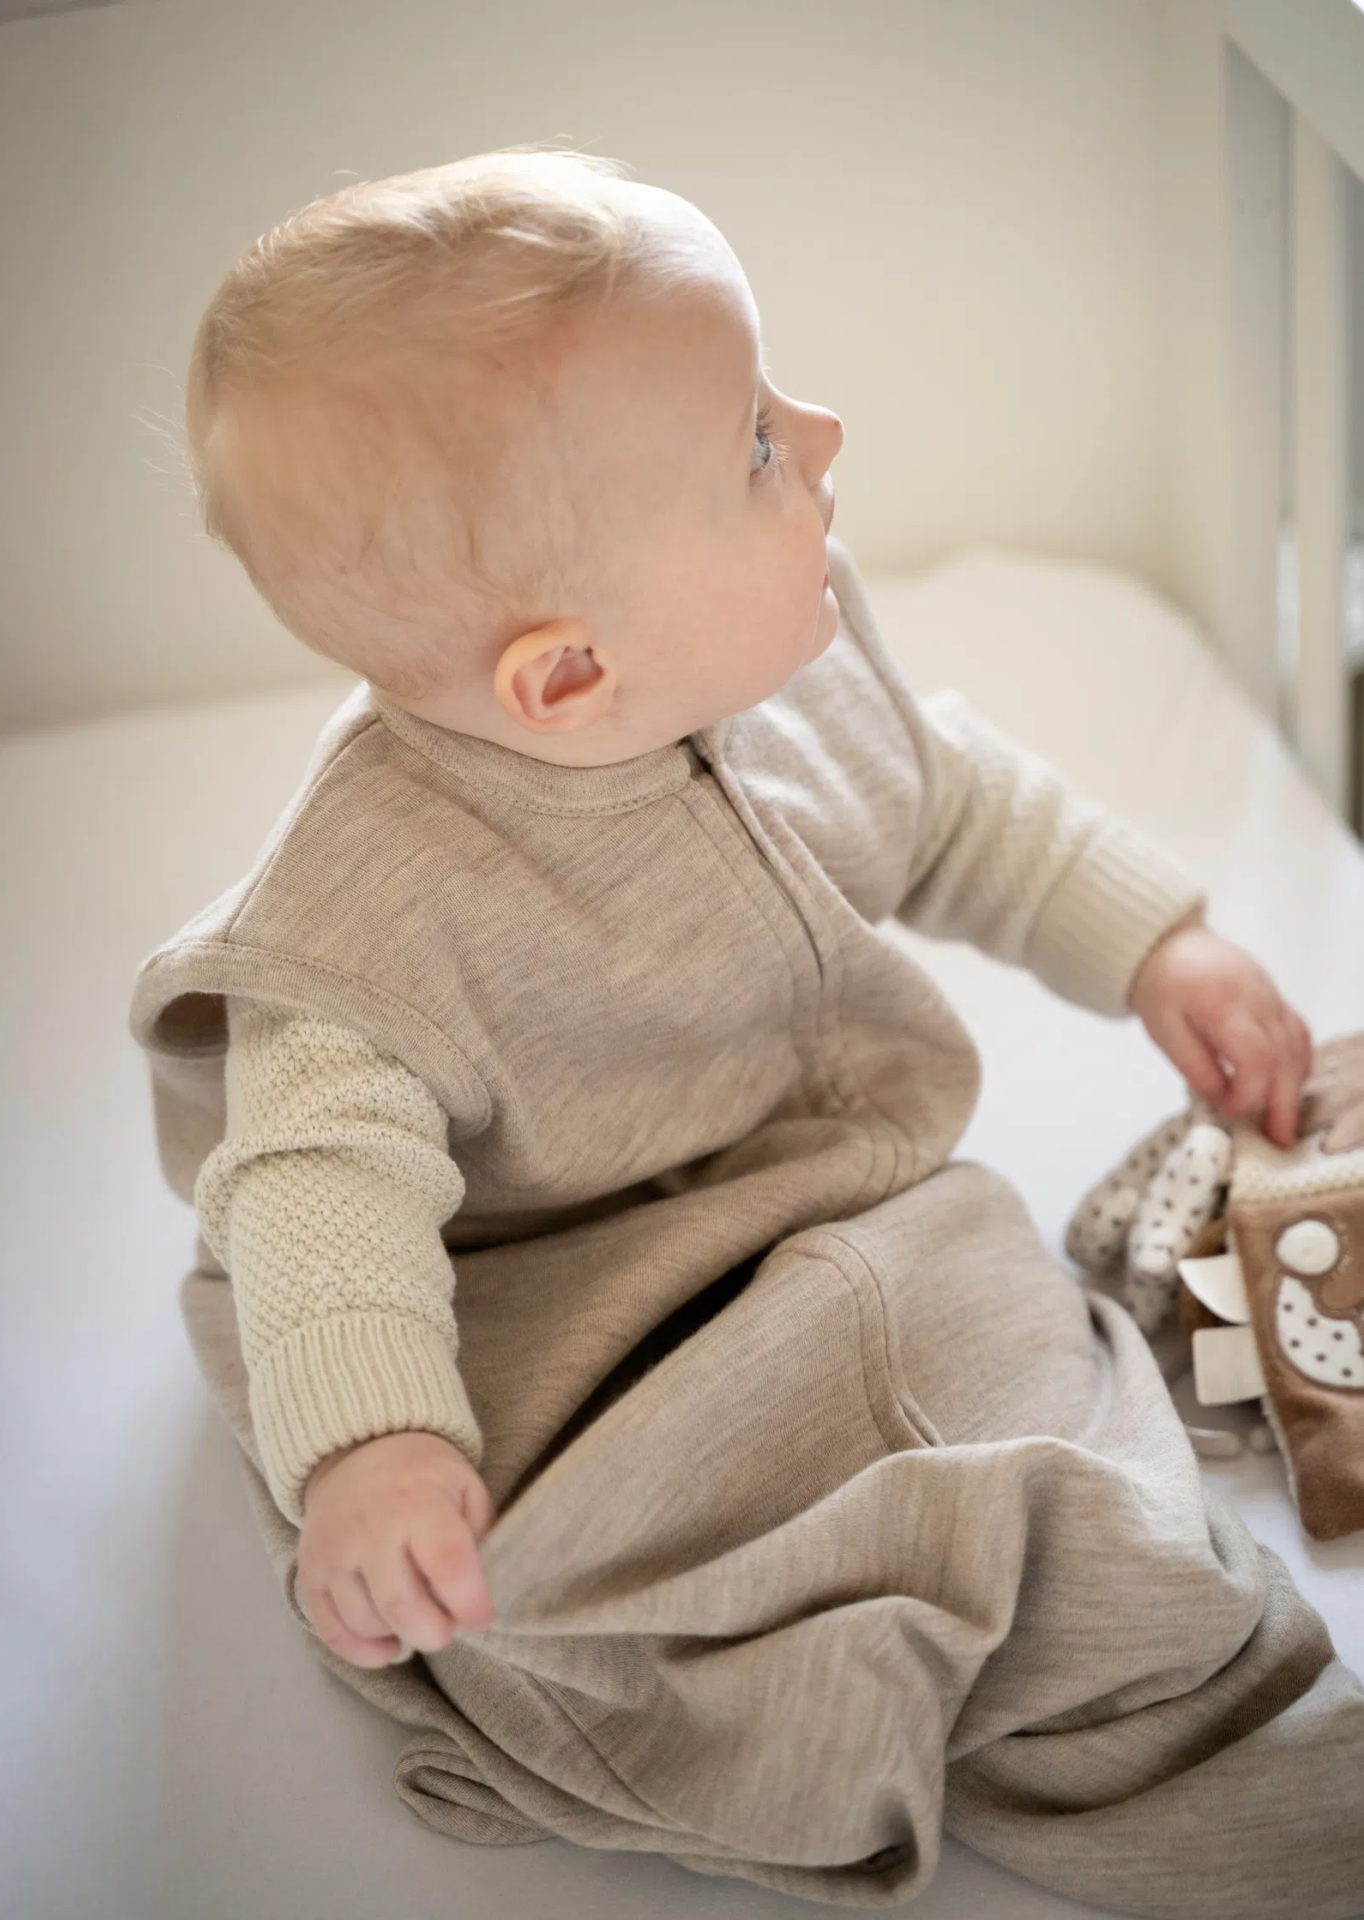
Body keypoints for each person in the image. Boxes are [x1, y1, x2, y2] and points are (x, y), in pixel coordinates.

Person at [131, 147, 1363, 1917]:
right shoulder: (365, 927)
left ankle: (1170, 1679)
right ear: (570, 675)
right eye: (760, 447)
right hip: (570, 1316)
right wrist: (375, 1446)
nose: (828, 432)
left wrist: (1158, 943)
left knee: (1049, 1443)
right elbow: (317, 1194)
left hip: (851, 1202)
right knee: (649, 1592)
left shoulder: (785, 659)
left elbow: (949, 802)